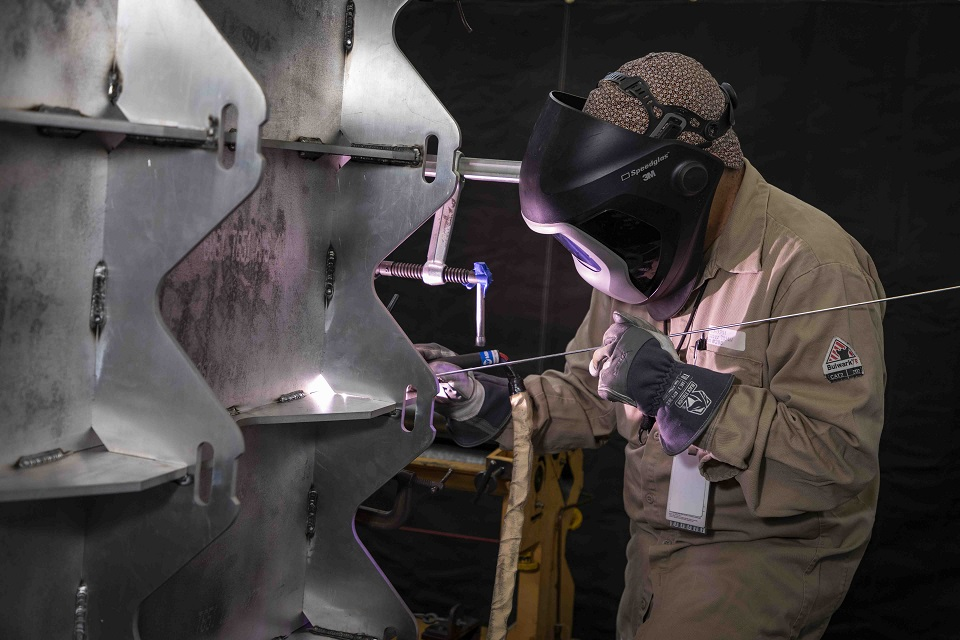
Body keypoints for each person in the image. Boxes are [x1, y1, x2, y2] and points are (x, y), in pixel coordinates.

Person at [420, 52, 885, 640]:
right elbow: (595, 391)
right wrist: (480, 402)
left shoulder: (811, 265)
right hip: (653, 547)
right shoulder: (643, 249)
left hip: (759, 557)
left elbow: (836, 464)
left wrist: (687, 395)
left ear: (687, 182)